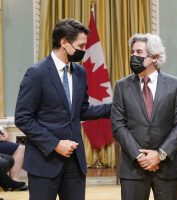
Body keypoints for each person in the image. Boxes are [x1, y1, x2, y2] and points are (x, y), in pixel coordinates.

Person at [14, 18, 112, 200]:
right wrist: (55, 144)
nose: (84, 51)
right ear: (64, 42)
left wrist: (115, 108)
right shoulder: (36, 73)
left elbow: (81, 110)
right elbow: (23, 118)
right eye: (81, 46)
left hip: (75, 163)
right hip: (44, 162)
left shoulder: (80, 73)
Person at [111, 33, 177, 200]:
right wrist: (141, 157)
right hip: (133, 167)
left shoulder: (175, 85)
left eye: (139, 52)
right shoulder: (121, 86)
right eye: (132, 52)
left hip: (167, 166)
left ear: (154, 56)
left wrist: (159, 155)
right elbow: (118, 125)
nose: (133, 57)